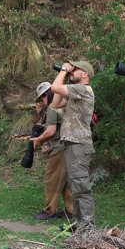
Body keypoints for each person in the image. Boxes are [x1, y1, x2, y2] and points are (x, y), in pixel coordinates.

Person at [51, 60, 96, 230]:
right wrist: (63, 75)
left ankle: (88, 228)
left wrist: (63, 70)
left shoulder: (84, 89)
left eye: (75, 69)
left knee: (81, 188)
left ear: (84, 74)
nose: (71, 71)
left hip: (79, 146)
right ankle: (79, 225)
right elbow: (55, 104)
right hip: (73, 145)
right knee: (76, 187)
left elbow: (55, 88)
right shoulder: (76, 92)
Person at [31, 82, 74, 221]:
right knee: (66, 182)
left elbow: (50, 131)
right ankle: (71, 210)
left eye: (42, 98)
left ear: (46, 94)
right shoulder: (66, 103)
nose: (42, 102)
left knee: (52, 180)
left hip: (58, 148)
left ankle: (49, 211)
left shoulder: (52, 107)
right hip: (70, 147)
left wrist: (39, 139)